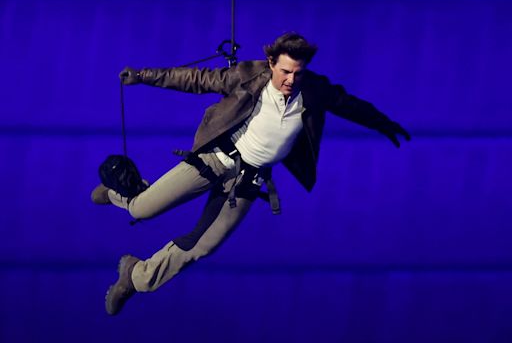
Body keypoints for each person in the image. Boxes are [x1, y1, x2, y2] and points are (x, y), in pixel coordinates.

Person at [91, 32, 410, 315]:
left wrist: (384, 124)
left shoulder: (313, 90)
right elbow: (197, 79)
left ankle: (136, 276)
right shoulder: (247, 75)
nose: (290, 80)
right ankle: (116, 194)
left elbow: (350, 105)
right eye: (285, 71)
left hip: (247, 180)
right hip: (214, 159)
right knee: (142, 208)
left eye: (297, 73)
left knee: (204, 245)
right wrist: (143, 75)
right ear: (271, 62)